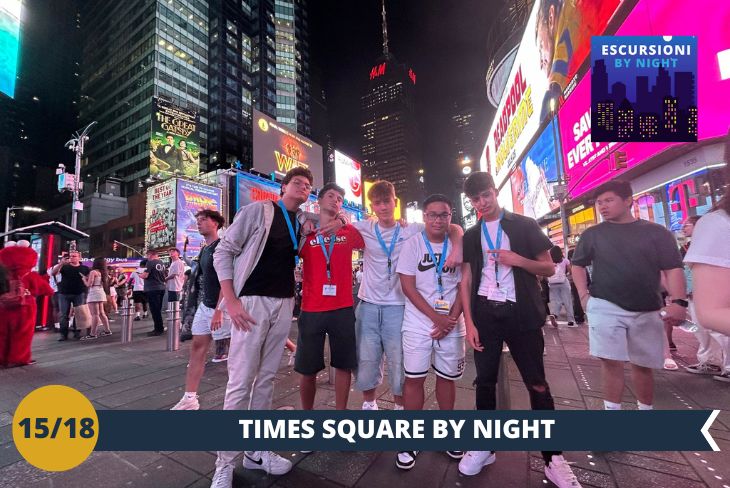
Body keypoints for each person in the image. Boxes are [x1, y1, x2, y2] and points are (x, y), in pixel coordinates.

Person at [458, 172, 581, 487]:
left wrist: (517, 260)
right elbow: (468, 279)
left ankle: (553, 459)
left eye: (486, 195)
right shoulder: (472, 235)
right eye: (475, 199)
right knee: (484, 382)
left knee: (537, 384)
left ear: (494, 192)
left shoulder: (524, 225)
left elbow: (548, 267)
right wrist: (469, 322)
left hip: (522, 315)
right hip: (485, 315)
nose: (482, 203)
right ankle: (485, 446)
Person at [210, 167, 314, 484]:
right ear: (283, 187)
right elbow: (223, 252)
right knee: (241, 382)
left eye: (309, 186)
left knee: (267, 380)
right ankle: (224, 462)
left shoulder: (299, 222)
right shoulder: (258, 210)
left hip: (283, 304)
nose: (304, 188)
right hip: (251, 302)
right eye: (298, 182)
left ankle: (256, 451)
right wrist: (231, 300)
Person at [332, 180, 462, 412]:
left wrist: (459, 245)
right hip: (369, 304)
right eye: (377, 203)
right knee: (367, 358)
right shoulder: (365, 227)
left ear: (395, 202)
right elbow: (341, 223)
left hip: (398, 305)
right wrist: (341, 218)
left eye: (387, 201)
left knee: (399, 360)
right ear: (372, 206)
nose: (383, 207)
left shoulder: (410, 229)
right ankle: (369, 402)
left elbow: (451, 227)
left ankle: (400, 406)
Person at [571, 180, 688, 411]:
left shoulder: (657, 233)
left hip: (647, 307)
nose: (603, 206)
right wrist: (584, 297)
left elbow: (673, 268)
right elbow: (577, 265)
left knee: (643, 364)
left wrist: (679, 301)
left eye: (609, 200)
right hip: (605, 304)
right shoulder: (592, 234)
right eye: (599, 202)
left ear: (627, 201)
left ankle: (645, 412)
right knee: (610, 362)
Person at [395, 194, 465, 470]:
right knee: (414, 379)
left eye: (444, 215)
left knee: (447, 379)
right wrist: (437, 317)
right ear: (424, 217)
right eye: (432, 214)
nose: (438, 219)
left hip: (451, 322)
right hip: (418, 323)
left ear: (451, 217)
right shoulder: (412, 244)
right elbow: (408, 287)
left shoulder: (458, 245)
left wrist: (451, 318)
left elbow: (464, 285)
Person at [296, 183, 364, 412]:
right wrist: (302, 221)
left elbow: (371, 234)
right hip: (312, 309)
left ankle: (341, 416)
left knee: (343, 365)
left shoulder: (348, 232)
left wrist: (344, 221)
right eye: (331, 196)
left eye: (340, 199)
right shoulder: (306, 233)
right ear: (319, 201)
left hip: (343, 308)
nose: (336, 201)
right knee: (308, 369)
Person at [171, 209, 231, 410]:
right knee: (197, 348)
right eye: (198, 220)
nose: (199, 223)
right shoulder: (205, 249)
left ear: (216, 223)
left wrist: (220, 310)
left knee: (237, 357)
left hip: (223, 308)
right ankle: (189, 399)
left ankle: (242, 398)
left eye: (204, 220)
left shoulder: (223, 246)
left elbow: (227, 280)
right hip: (206, 306)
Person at [685, 186, 730, 369]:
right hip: (698, 295)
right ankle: (713, 361)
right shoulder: (719, 223)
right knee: (706, 332)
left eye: (687, 225)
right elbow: (712, 313)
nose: (684, 228)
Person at [0, 241, 53, 367]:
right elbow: (47, 291)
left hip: (3, 306)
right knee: (22, 334)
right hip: (25, 307)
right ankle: (18, 359)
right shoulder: (31, 275)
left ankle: (2, 358)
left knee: (2, 334)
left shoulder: (2, 275)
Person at [51, 250, 91, 341]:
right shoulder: (65, 267)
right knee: (63, 314)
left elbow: (89, 280)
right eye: (71, 256)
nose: (72, 258)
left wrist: (86, 283)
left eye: (74, 256)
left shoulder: (85, 268)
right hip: (64, 293)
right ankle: (63, 334)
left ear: (79, 258)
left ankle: (77, 333)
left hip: (79, 293)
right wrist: (61, 263)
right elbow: (53, 273)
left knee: (79, 313)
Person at [81, 257, 112, 340]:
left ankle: (93, 333)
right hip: (101, 292)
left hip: (94, 292)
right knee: (102, 313)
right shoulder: (104, 273)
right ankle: (107, 330)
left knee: (95, 314)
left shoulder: (93, 272)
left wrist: (84, 279)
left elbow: (89, 284)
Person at [547, 245, 576, 327]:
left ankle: (554, 315)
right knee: (567, 301)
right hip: (563, 282)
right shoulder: (565, 261)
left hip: (552, 283)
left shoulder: (549, 262)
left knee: (556, 301)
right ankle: (570, 321)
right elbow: (570, 272)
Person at [141, 250, 167, 336]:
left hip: (152, 288)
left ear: (151, 255)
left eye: (147, 255)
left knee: (154, 310)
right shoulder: (162, 263)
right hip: (161, 288)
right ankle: (160, 327)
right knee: (158, 309)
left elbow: (145, 275)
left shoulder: (150, 262)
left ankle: (158, 329)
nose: (147, 257)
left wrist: (139, 274)